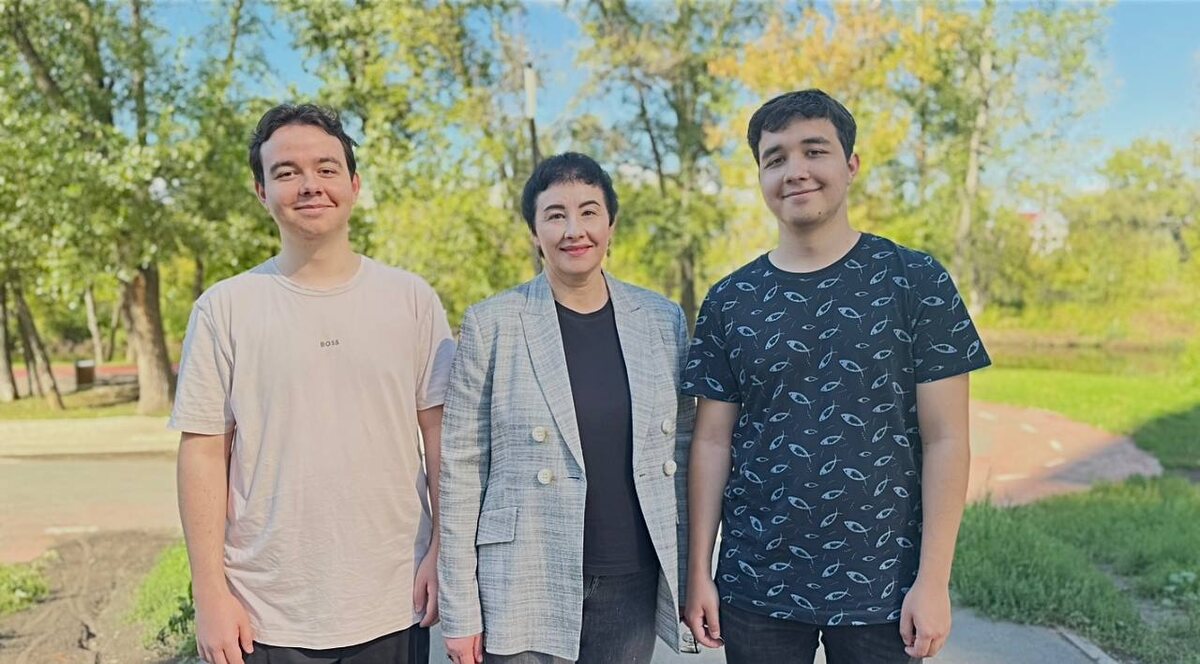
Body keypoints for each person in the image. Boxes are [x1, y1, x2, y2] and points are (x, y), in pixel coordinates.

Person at [681, 89, 992, 664]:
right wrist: (698, 570)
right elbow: (711, 442)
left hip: (886, 584)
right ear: (760, 176)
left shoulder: (915, 281)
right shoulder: (729, 300)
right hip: (756, 584)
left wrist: (934, 581)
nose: (795, 171)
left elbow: (946, 439)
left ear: (851, 165)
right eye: (775, 158)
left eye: (814, 151)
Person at [171, 103, 454, 664]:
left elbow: (441, 435)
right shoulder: (225, 308)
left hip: (393, 597)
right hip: (263, 610)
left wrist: (444, 550)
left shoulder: (411, 300)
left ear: (354, 185)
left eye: (326, 169)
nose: (309, 185)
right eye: (286, 172)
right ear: (261, 191)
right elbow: (202, 452)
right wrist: (209, 593)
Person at [438, 152, 694, 664]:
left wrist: (691, 575)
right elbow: (460, 471)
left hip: (630, 581)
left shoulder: (662, 321)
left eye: (589, 212)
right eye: (555, 215)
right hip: (524, 577)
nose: (574, 230)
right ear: (535, 232)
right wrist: (460, 609)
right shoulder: (492, 324)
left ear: (611, 225)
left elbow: (685, 450)